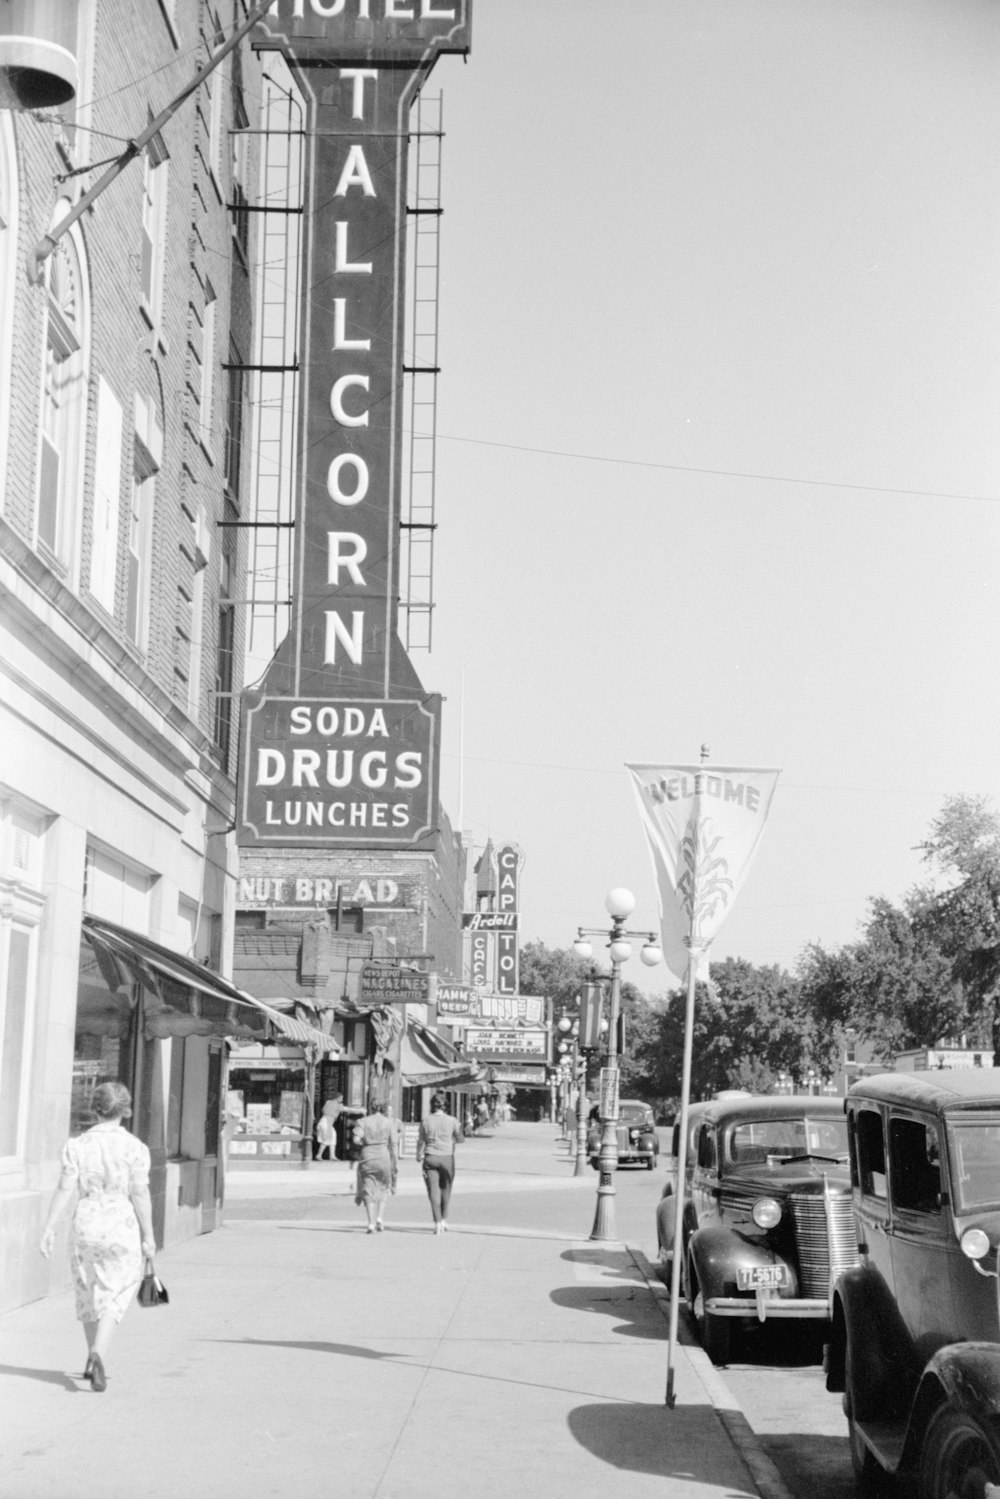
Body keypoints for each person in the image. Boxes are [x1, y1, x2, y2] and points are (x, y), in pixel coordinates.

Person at [38, 1080, 155, 1393]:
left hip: (86, 1222)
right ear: (125, 1110)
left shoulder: (77, 1146)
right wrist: (149, 1235)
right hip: (120, 1224)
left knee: (87, 1290)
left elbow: (65, 1186)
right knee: (118, 1290)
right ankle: (97, 1355)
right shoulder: (135, 1148)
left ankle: (92, 1359)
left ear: (95, 1109)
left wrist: (49, 1226)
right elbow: (140, 1193)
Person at [416, 1093, 463, 1234]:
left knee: (433, 1191)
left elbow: (421, 1141)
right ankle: (444, 1219)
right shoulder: (453, 1120)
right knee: (446, 1189)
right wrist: (451, 1140)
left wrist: (419, 1154)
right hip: (447, 1157)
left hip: (430, 1157)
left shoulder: (425, 1121)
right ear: (445, 1105)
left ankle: (437, 1223)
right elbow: (460, 1138)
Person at [352, 1099, 397, 1233]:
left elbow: (356, 1139)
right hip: (384, 1156)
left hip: (368, 1156)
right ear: (383, 1109)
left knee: (368, 1188)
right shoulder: (389, 1122)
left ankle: (370, 1223)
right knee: (383, 1187)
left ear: (371, 1108)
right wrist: (394, 1162)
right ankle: (380, 1218)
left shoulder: (363, 1121)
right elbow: (393, 1144)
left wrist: (365, 1143)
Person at [315, 1095, 343, 1161]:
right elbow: (347, 1109)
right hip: (327, 1122)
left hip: (324, 1121)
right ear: (338, 1097)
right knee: (327, 1138)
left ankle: (332, 1156)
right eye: (341, 1098)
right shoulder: (338, 1105)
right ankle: (319, 1155)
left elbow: (323, 1110)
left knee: (333, 1136)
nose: (342, 1100)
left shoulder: (328, 1102)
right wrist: (360, 1110)